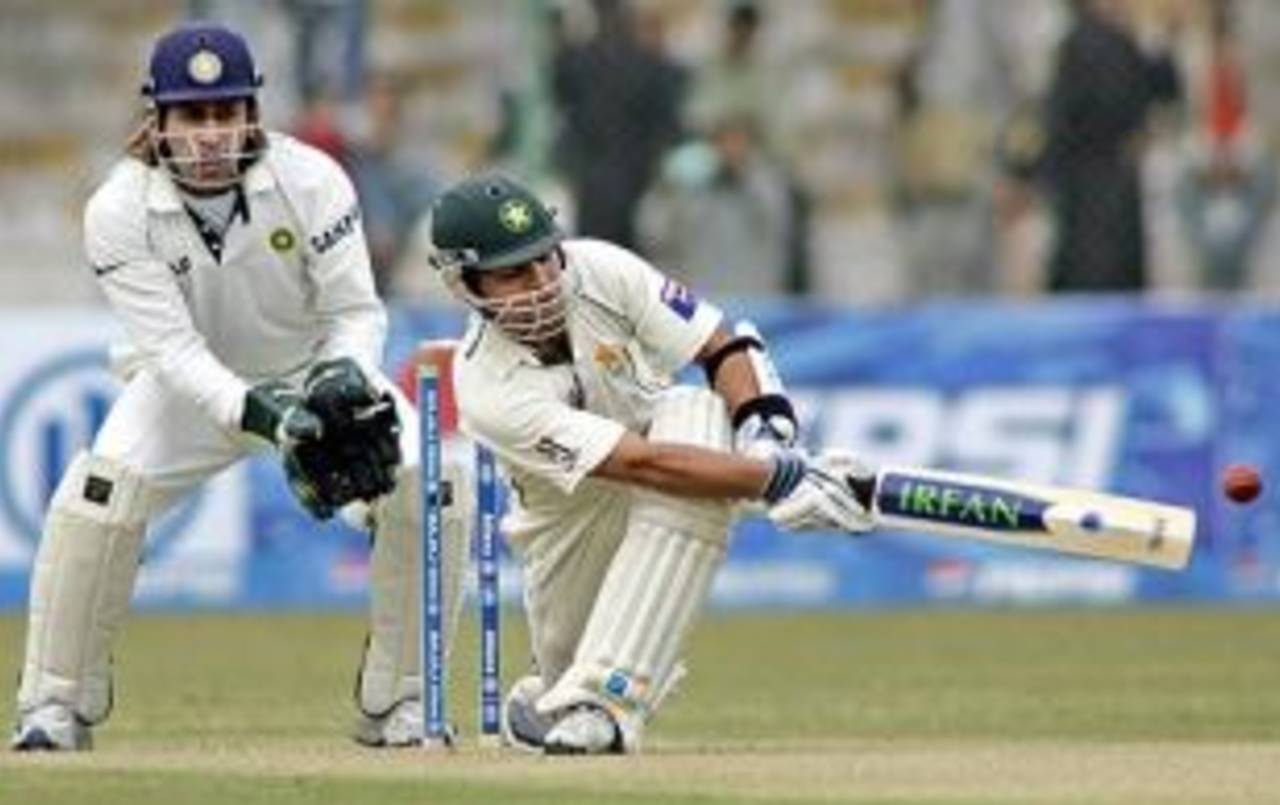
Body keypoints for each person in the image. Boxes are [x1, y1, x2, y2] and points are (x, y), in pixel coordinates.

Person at [10, 23, 471, 752]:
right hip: (185, 392)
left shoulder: (312, 178)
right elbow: (173, 351)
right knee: (95, 500)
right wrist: (267, 416)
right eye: (193, 115)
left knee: (434, 484)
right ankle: (54, 705)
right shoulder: (117, 209)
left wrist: (340, 382)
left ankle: (402, 700)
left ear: (253, 111)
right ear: (156, 118)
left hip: (312, 371)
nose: (212, 133)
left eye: (227, 111)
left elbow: (355, 312)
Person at [427, 172, 874, 755]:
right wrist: (780, 481)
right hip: (570, 522)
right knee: (568, 679)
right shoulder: (486, 386)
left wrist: (767, 438)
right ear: (464, 283)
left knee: (694, 408)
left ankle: (606, 705)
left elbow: (722, 346)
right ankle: (555, 692)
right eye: (513, 272)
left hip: (679, 459)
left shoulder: (601, 269)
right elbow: (641, 466)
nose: (542, 284)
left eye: (544, 259)